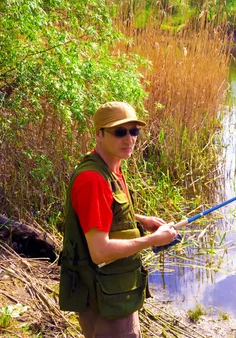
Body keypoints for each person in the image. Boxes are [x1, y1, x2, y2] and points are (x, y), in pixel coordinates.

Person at [59, 101, 178, 337]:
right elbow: (100, 252)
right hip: (104, 299)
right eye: (119, 132)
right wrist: (152, 240)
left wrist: (140, 220)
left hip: (115, 292)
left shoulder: (110, 168)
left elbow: (101, 211)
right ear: (99, 135)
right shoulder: (93, 179)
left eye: (134, 131)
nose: (129, 139)